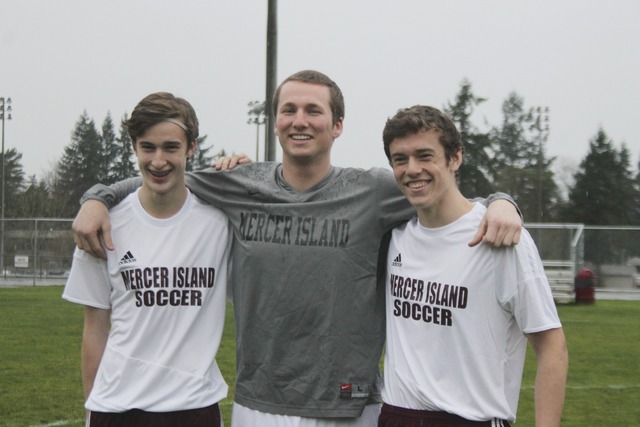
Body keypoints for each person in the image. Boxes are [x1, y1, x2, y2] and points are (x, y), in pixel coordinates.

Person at [72, 70, 522, 427]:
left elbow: (440, 191)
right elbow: (165, 174)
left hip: (349, 406)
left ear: (337, 125)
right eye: (289, 109)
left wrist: (500, 202)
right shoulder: (241, 185)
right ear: (275, 122)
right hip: (259, 404)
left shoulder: (374, 191)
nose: (300, 120)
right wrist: (99, 196)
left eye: (313, 110)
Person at [379, 105, 568, 426]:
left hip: (470, 418)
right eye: (400, 159)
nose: (412, 169)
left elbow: (552, 346)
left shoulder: (503, 238)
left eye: (425, 156)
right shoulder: (393, 236)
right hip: (396, 416)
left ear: (455, 158)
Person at [62, 92, 231, 426]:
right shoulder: (103, 224)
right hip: (118, 408)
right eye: (147, 147)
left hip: (194, 407)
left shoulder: (220, 222)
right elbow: (94, 329)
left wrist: (244, 168)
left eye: (171, 147)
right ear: (134, 148)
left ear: (191, 148)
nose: (158, 161)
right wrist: (92, 406)